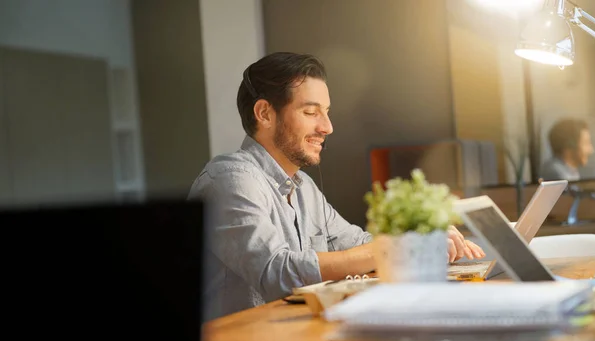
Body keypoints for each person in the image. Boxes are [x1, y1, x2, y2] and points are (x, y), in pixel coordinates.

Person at [188, 52, 484, 319]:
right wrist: (393, 249)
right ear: (265, 113)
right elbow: (276, 272)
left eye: (326, 112)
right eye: (310, 112)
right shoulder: (230, 180)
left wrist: (419, 240)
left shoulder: (303, 188)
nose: (327, 127)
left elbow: (356, 243)